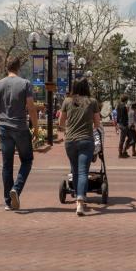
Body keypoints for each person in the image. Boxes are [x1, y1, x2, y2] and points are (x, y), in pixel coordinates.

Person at [0, 57, 38, 211]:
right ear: (19, 68)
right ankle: (16, 189)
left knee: (7, 165)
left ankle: (8, 202)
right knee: (27, 160)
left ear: (6, 67)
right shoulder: (25, 84)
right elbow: (31, 108)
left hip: (4, 128)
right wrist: (36, 127)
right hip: (20, 127)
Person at [58, 79, 102, 216]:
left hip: (70, 141)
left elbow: (61, 122)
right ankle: (80, 200)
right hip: (85, 140)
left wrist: (68, 129)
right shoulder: (92, 102)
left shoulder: (67, 101)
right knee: (83, 171)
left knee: (75, 170)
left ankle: (78, 195)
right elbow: (97, 123)